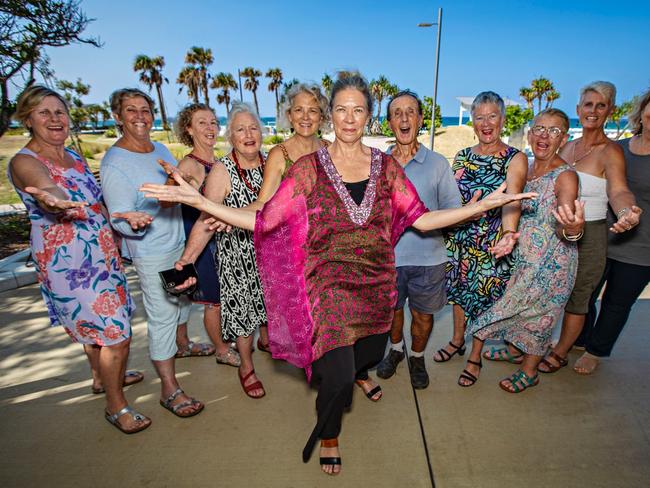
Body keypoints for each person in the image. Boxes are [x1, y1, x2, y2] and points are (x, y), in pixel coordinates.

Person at [141, 71, 535, 475]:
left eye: (358, 110)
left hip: (376, 287)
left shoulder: (386, 168)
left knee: (367, 355)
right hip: (326, 288)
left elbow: (424, 219)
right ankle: (328, 433)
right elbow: (265, 216)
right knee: (339, 377)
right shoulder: (308, 168)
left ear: (368, 117)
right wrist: (203, 203)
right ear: (331, 115)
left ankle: (342, 383)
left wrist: (482, 206)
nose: (349, 118)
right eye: (341, 110)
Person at [8, 85, 150, 434]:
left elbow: (97, 202)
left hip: (102, 254)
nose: (55, 119)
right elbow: (47, 189)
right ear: (28, 118)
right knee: (116, 334)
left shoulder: (73, 157)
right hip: (69, 264)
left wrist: (121, 220)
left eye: (60, 112)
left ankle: (102, 378)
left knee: (96, 329)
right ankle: (116, 407)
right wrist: (52, 199)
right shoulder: (25, 161)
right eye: (45, 112)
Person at [460, 109, 584, 392]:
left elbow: (567, 223)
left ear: (563, 138)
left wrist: (573, 228)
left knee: (540, 317)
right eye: (539, 128)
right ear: (529, 134)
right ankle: (516, 351)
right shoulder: (523, 166)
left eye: (553, 131)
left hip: (552, 263)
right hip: (519, 256)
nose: (544, 135)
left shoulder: (566, 177)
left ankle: (529, 371)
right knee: (514, 309)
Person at [100, 88, 204, 418]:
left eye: (145, 110)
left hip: (180, 242)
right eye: (131, 111)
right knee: (161, 317)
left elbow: (173, 188)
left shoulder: (158, 148)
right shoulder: (115, 164)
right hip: (151, 251)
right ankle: (170, 389)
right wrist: (136, 221)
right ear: (118, 117)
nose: (140, 116)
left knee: (183, 300)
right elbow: (120, 218)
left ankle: (183, 345)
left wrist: (183, 181)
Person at [539, 82, 641, 373]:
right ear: (578, 109)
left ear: (610, 110)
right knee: (553, 291)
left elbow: (619, 190)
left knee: (579, 297)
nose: (593, 111)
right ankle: (552, 342)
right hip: (556, 230)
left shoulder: (610, 151)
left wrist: (626, 211)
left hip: (592, 233)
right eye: (588, 104)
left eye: (600, 105)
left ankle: (560, 351)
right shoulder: (567, 146)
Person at [175, 102, 267, 399]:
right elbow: (205, 220)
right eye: (240, 129)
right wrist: (187, 259)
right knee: (242, 318)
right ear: (231, 136)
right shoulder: (221, 170)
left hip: (270, 257)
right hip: (237, 258)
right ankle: (247, 368)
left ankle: (269, 344)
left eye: (254, 128)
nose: (248, 134)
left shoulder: (271, 164)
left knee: (268, 310)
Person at [375, 90, 461, 389]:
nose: (403, 118)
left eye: (410, 111)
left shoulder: (437, 163)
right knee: (392, 313)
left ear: (420, 119)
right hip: (388, 260)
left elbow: (453, 210)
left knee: (423, 317)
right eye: (396, 112)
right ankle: (397, 351)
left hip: (429, 259)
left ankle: (417, 356)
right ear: (389, 122)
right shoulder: (378, 165)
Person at [438, 91, 528, 364]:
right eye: (479, 117)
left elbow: (512, 200)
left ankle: (475, 355)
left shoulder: (515, 158)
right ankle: (457, 340)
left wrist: (508, 235)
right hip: (459, 238)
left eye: (492, 116)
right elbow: (452, 198)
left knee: (483, 298)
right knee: (458, 294)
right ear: (473, 122)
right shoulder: (463, 155)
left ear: (502, 120)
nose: (486, 122)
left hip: (491, 242)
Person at [243, 83, 329, 351]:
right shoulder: (280, 155)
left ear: (322, 117)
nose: (305, 116)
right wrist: (226, 215)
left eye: (313, 110)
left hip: (329, 247)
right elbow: (264, 202)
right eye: (299, 110)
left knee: (332, 315)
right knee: (307, 319)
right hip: (296, 253)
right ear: (289, 116)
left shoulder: (330, 148)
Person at [576, 89, 650, 373]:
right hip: (603, 236)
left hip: (642, 245)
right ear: (641, 112)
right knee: (585, 293)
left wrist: (629, 212)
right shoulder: (618, 148)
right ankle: (581, 338)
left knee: (617, 301)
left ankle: (597, 350)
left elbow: (621, 193)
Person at [174, 103, 240, 367]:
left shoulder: (220, 162)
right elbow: (174, 189)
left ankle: (227, 338)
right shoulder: (189, 164)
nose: (210, 128)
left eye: (213, 122)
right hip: (204, 241)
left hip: (227, 238)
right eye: (202, 123)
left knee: (229, 294)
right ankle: (221, 349)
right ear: (189, 130)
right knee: (215, 301)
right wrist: (173, 182)